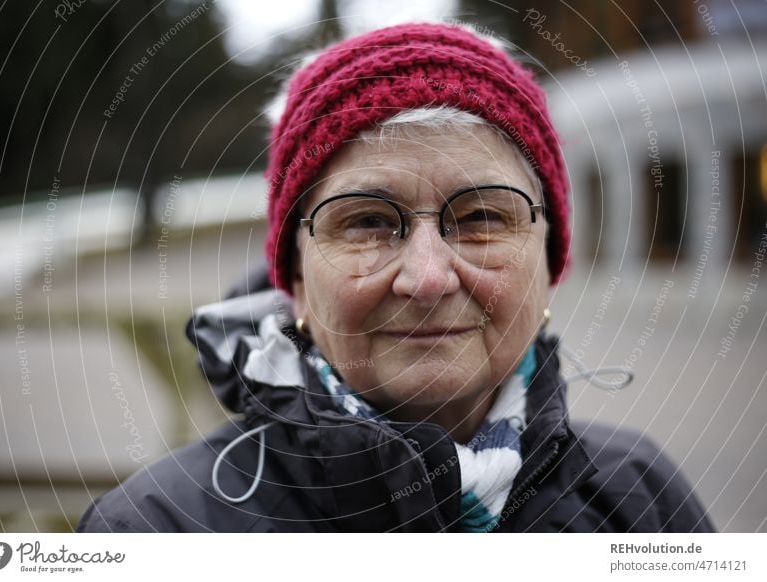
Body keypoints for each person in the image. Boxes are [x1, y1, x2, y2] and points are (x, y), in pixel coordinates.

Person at [78, 22, 714, 532]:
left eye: (483, 217)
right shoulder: (156, 531)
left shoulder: (643, 503)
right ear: (295, 277)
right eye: (366, 222)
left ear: (547, 264)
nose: (428, 277)